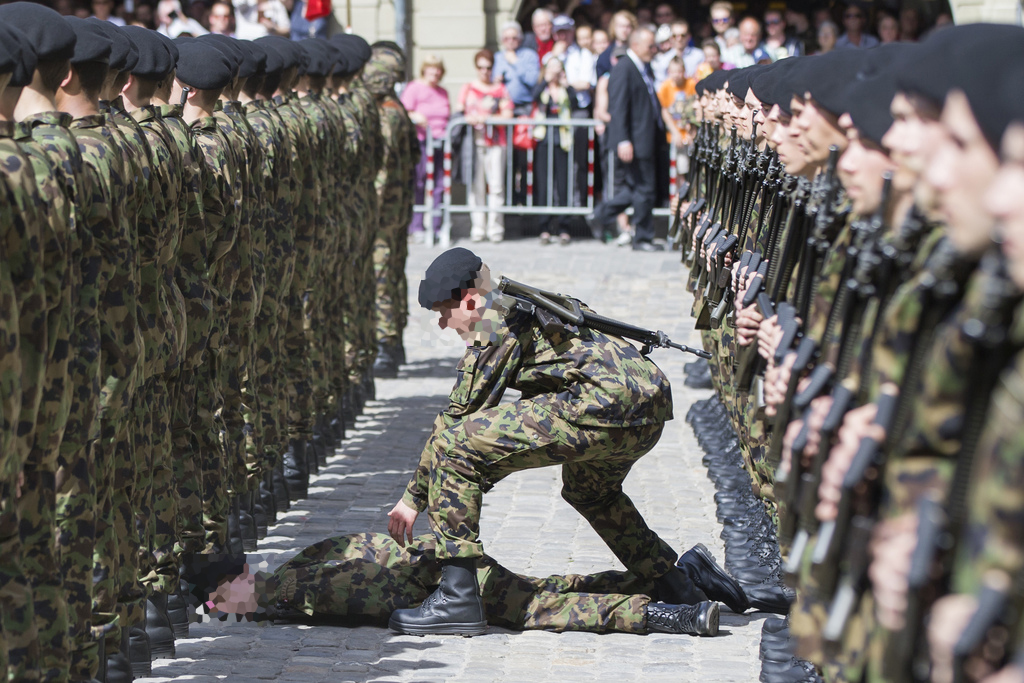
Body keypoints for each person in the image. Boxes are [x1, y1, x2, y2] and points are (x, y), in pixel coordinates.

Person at [384, 248, 749, 634]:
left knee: (456, 448)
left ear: (470, 300)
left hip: (599, 409)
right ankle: (677, 583)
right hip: (647, 413)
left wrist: (413, 499)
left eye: (444, 312)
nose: (443, 324)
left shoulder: (495, 321)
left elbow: (458, 418)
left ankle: (458, 598)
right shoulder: (524, 301)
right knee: (590, 492)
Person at [189, 536, 723, 637]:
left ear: (227, 591)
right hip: (447, 563)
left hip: (442, 585)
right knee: (544, 587)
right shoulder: (305, 561)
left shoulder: (289, 588)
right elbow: (373, 546)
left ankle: (664, 615)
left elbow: (376, 593)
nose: (231, 610)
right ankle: (676, 579)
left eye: (222, 604)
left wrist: (426, 605)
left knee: (544, 607)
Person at [590, 28, 666, 252]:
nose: (654, 50)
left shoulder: (643, 67)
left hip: (645, 138)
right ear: (636, 44)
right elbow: (619, 106)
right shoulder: (624, 68)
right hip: (634, 139)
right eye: (650, 46)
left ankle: (600, 214)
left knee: (636, 189)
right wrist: (623, 139)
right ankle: (642, 237)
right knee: (644, 189)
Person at [457, 49, 513, 243]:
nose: (484, 71)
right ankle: (478, 227)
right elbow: (459, 111)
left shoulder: (500, 89)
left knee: (496, 186)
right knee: (476, 186)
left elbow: (508, 115)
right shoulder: (468, 88)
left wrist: (488, 118)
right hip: (474, 143)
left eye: (488, 67)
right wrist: (470, 118)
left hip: (496, 142)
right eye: (481, 67)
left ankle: (495, 228)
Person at [401, 54, 450, 242]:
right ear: (424, 69)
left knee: (439, 184)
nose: (435, 72)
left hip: (440, 143)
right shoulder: (414, 88)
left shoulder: (442, 92)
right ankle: (417, 225)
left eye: (438, 68)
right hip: (421, 142)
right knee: (419, 182)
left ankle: (436, 226)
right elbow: (404, 111)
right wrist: (416, 117)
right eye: (431, 67)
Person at [530, 58, 577, 245]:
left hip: (562, 140)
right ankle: (544, 227)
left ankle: (564, 227)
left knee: (563, 184)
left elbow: (575, 102)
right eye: (552, 68)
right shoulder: (543, 87)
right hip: (544, 139)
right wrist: (545, 81)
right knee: (544, 184)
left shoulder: (565, 88)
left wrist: (567, 84)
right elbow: (534, 97)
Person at [658, 57, 693, 178]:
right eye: (673, 71)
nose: (676, 75)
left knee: (688, 168)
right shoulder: (665, 87)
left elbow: (694, 110)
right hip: (674, 135)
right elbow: (665, 110)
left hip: (688, 134)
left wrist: (690, 131)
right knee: (676, 169)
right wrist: (675, 132)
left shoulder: (691, 84)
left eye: (679, 71)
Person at [653, 19, 705, 84]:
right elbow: (659, 85)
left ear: (689, 36)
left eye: (683, 35)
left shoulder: (699, 56)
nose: (679, 39)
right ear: (671, 38)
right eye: (675, 36)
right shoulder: (663, 60)